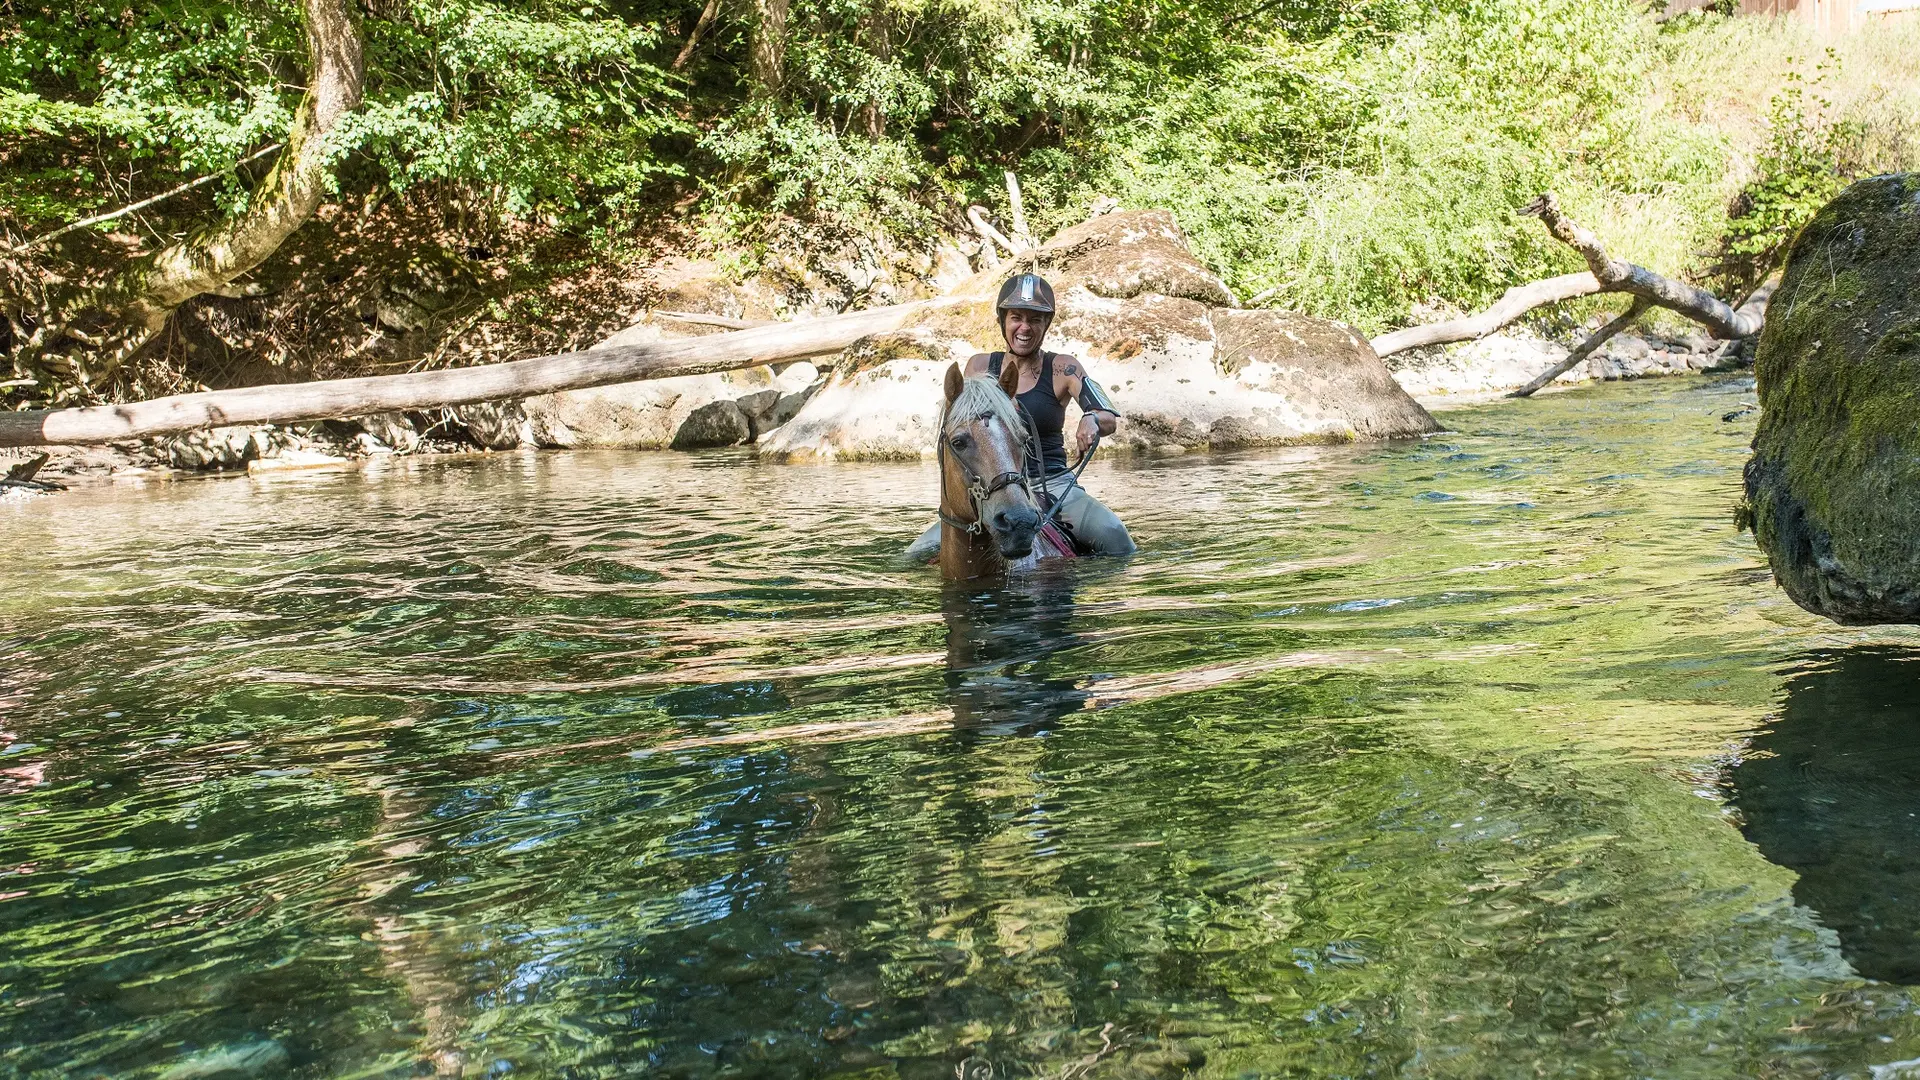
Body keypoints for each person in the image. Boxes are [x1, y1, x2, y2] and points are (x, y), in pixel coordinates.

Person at [907, 272, 1136, 561]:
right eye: (1016, 317)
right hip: (992, 486)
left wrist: (1090, 418)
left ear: (1046, 324)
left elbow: (1107, 416)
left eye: (1035, 319)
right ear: (1003, 320)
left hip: (1053, 485)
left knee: (1114, 534)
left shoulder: (1063, 367)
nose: (1024, 328)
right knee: (914, 555)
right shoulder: (979, 366)